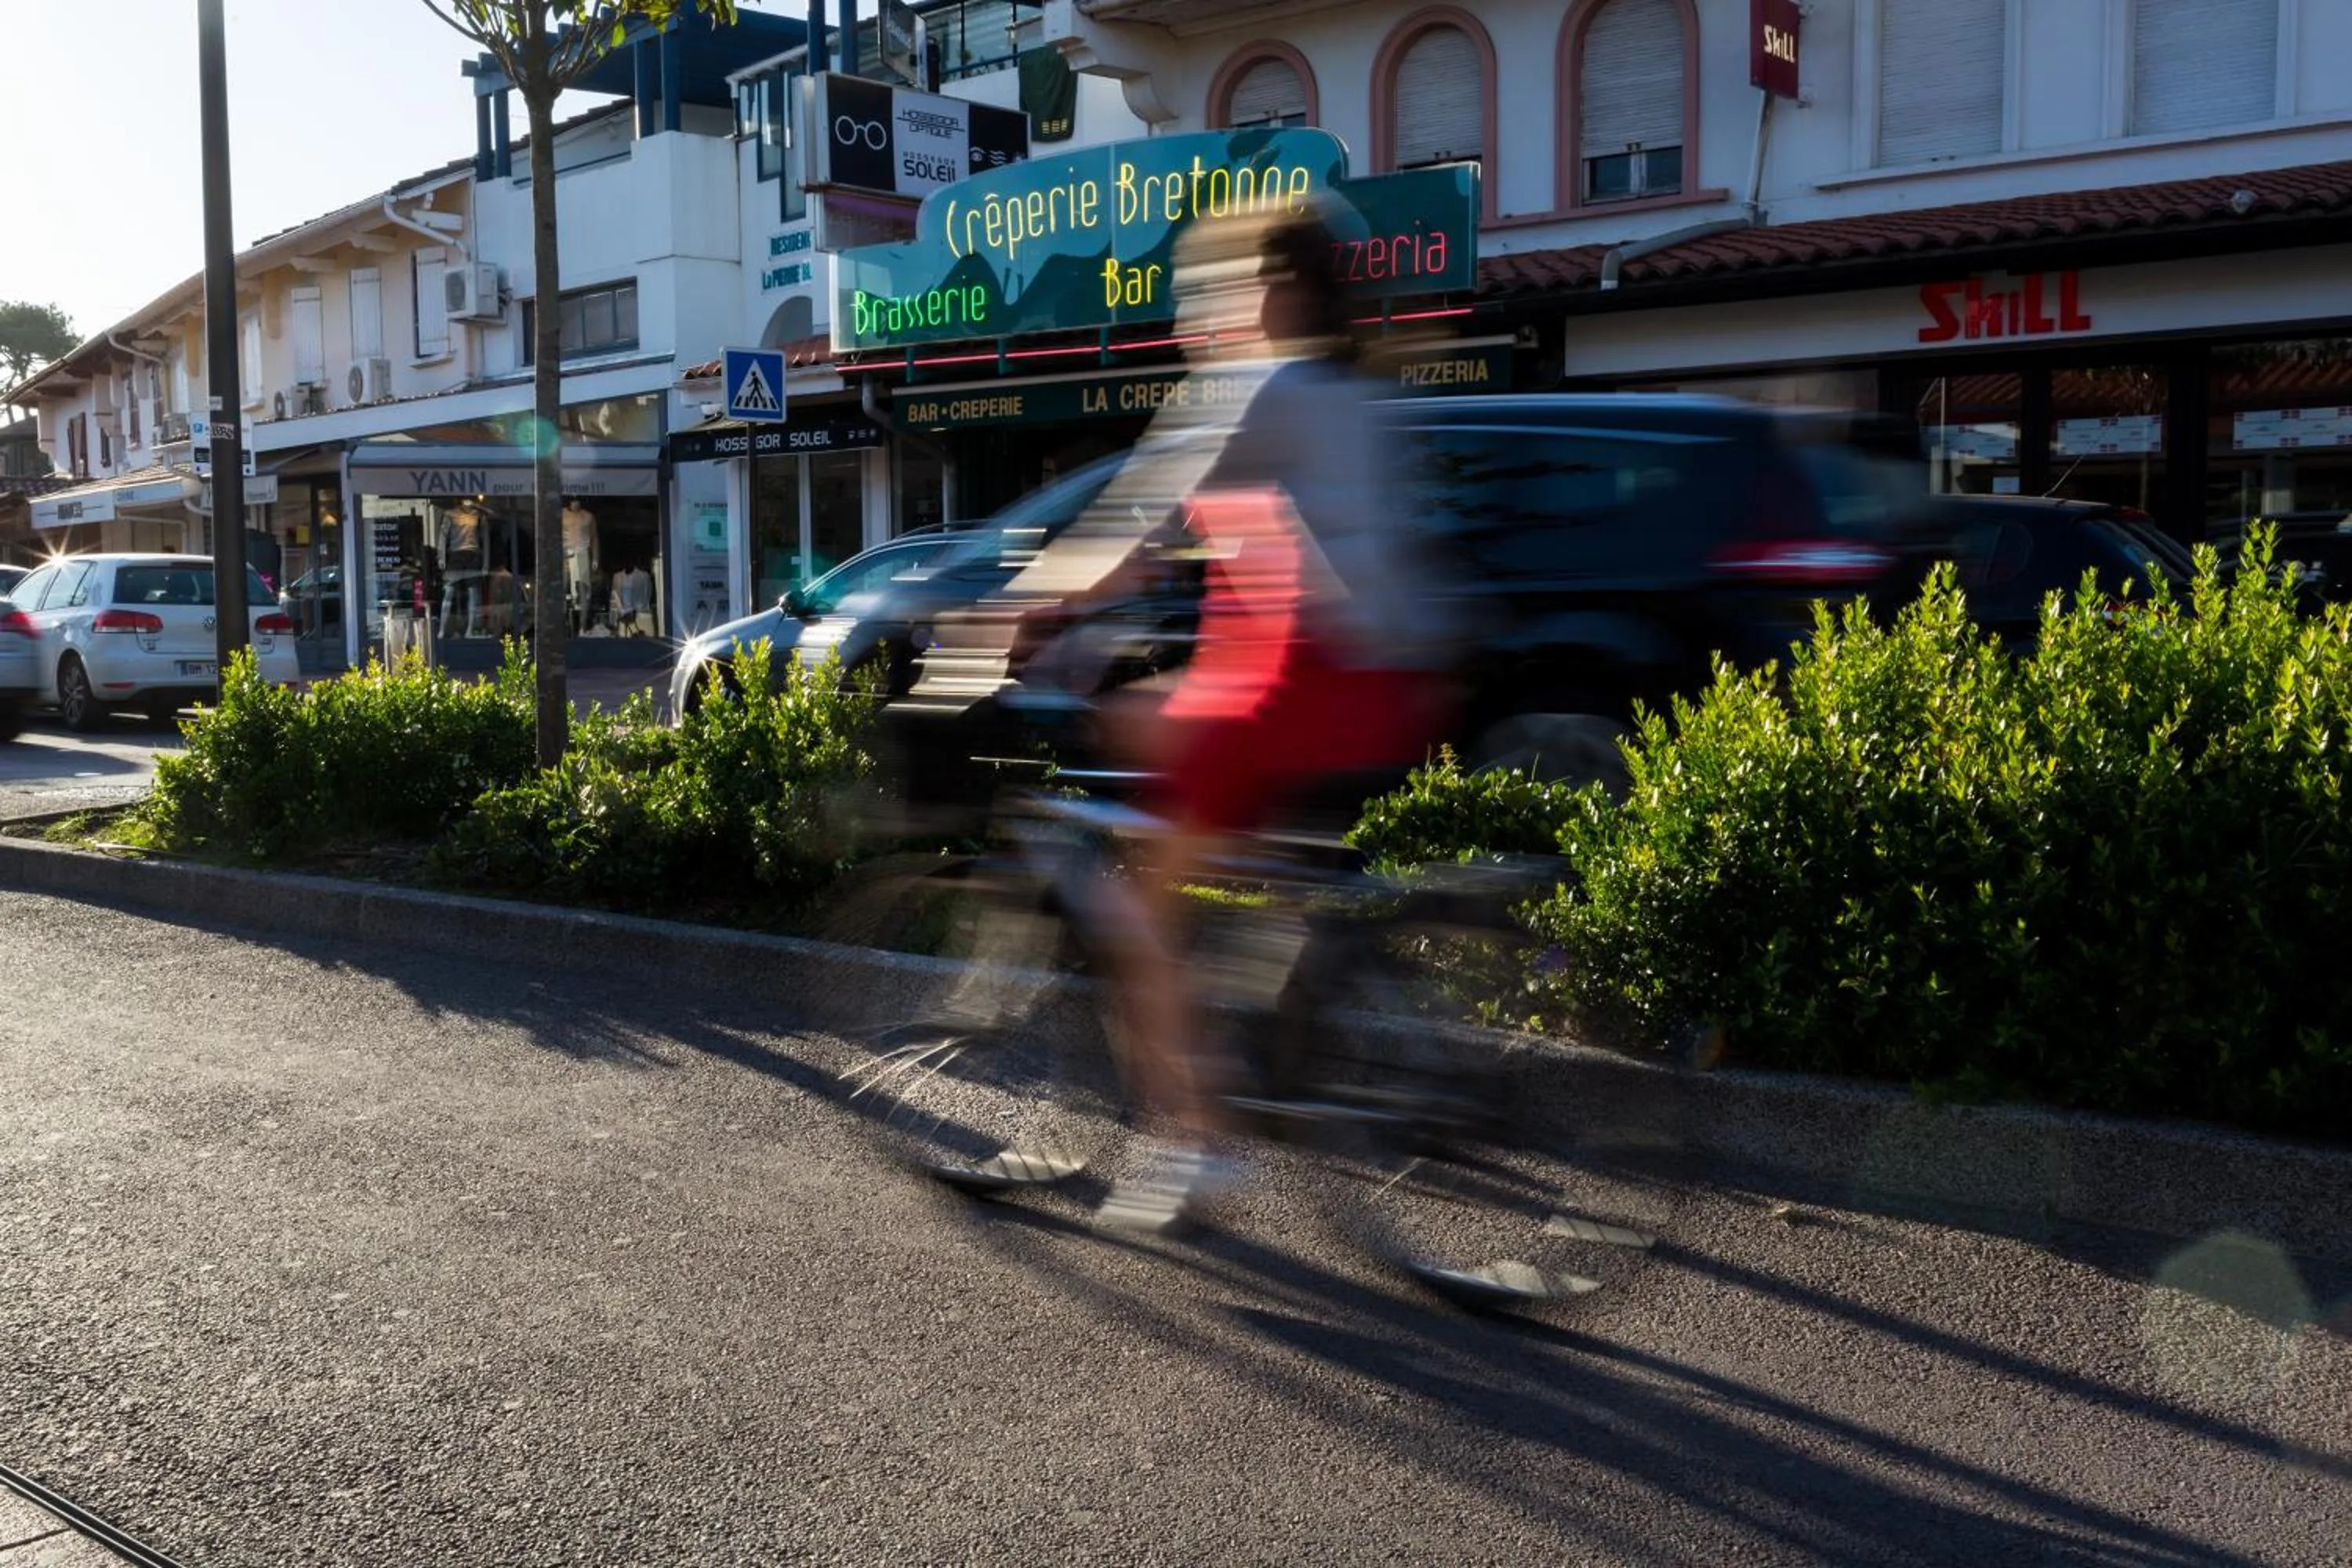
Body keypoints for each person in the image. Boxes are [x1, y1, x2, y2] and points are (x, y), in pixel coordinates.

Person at [960, 204, 1463, 1232]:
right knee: (1158, 742)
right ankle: (1256, 1005)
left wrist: (1016, 617)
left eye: (1216, 287)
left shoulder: (1256, 388)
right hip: (1391, 686)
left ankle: (1198, 1141)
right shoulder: (1357, 396)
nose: (1204, 310)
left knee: (1141, 898)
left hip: (1305, 687)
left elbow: (1129, 532)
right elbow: (1242, 564)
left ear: (1271, 291)